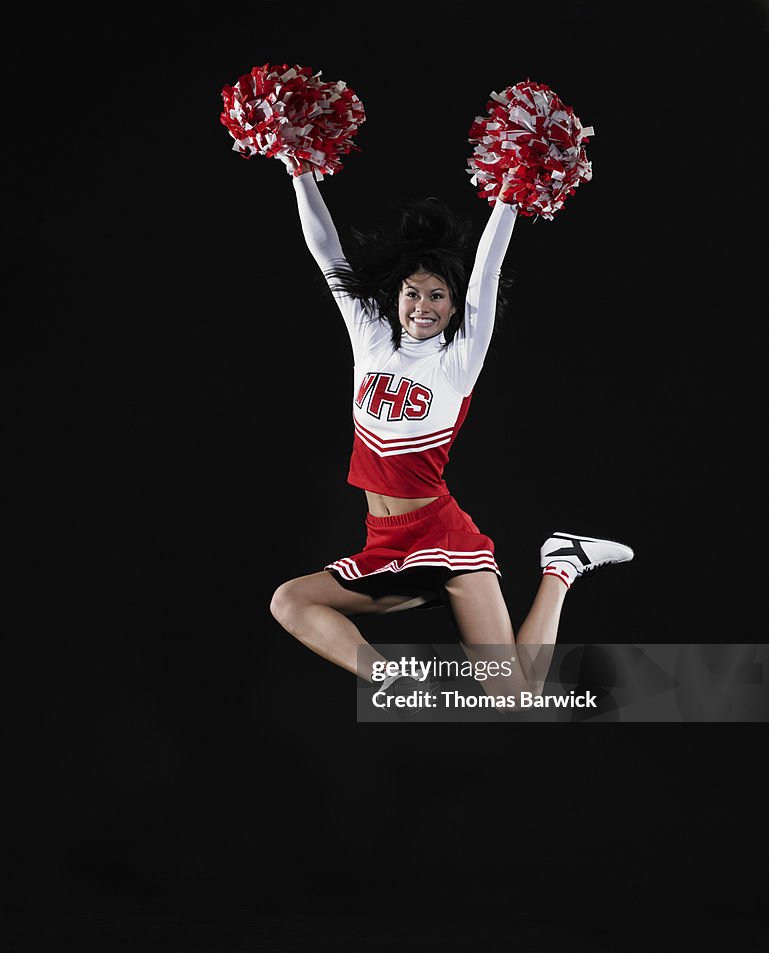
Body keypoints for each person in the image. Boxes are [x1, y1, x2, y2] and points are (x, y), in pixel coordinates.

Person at [269, 158, 633, 704]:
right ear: (395, 297)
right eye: (413, 293)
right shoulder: (370, 339)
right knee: (290, 601)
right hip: (383, 540)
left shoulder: (458, 359)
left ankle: (561, 565)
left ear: (453, 305)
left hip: (440, 537)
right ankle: (393, 680)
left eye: (437, 296)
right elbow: (327, 254)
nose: (422, 306)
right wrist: (299, 171)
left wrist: (511, 192)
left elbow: (486, 271)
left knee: (512, 696)